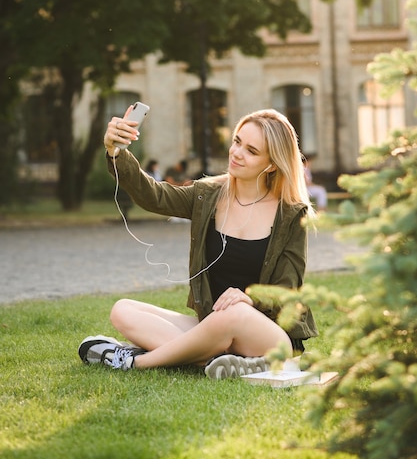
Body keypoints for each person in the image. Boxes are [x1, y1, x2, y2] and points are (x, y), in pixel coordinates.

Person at [78, 107, 318, 378]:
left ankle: (137, 361)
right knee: (122, 310)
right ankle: (222, 361)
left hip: (270, 335)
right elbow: (154, 196)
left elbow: (288, 288)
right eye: (237, 142)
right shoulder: (207, 196)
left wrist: (249, 298)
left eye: (252, 151)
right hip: (215, 328)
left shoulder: (291, 213)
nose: (237, 153)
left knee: (235, 312)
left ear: (272, 164)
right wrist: (116, 152)